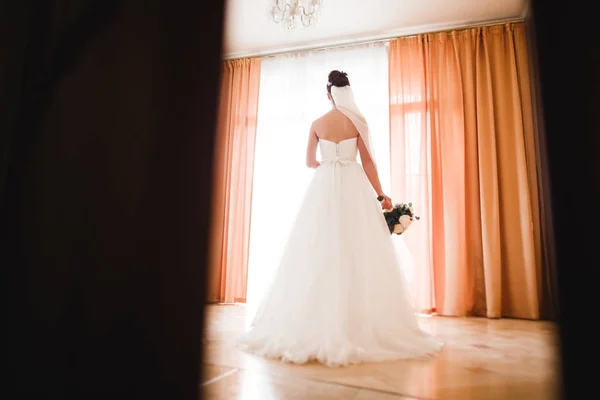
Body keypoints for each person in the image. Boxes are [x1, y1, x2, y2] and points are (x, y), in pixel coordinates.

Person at [236, 70, 443, 367]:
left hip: (323, 186)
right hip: (354, 185)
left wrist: (325, 164)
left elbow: (309, 161)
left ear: (328, 94)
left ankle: (315, 315)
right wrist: (381, 193)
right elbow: (368, 161)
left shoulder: (317, 123)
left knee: (317, 246)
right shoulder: (358, 121)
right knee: (358, 246)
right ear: (348, 91)